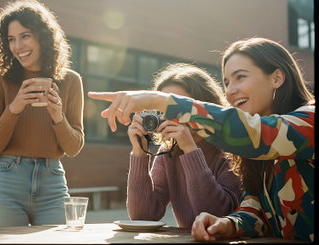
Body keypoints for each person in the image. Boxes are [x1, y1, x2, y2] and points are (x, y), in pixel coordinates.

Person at [88, 37, 314, 242]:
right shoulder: (249, 150)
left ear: (276, 78)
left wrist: (162, 101)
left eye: (240, 77)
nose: (231, 91)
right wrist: (226, 223)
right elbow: (257, 211)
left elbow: (258, 134)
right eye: (226, 82)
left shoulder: (308, 119)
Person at [0, 0, 84, 226]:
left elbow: (74, 147)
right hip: (7, 182)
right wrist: (14, 108)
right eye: (11, 39)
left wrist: (58, 116)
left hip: (52, 183)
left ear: (43, 36)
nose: (17, 46)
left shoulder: (70, 81)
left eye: (25, 36)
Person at [126, 63, 241, 228]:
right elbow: (143, 216)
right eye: (163, 107)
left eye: (178, 106)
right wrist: (139, 152)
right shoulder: (168, 151)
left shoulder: (230, 149)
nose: (170, 115)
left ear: (204, 106)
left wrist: (190, 150)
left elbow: (217, 217)